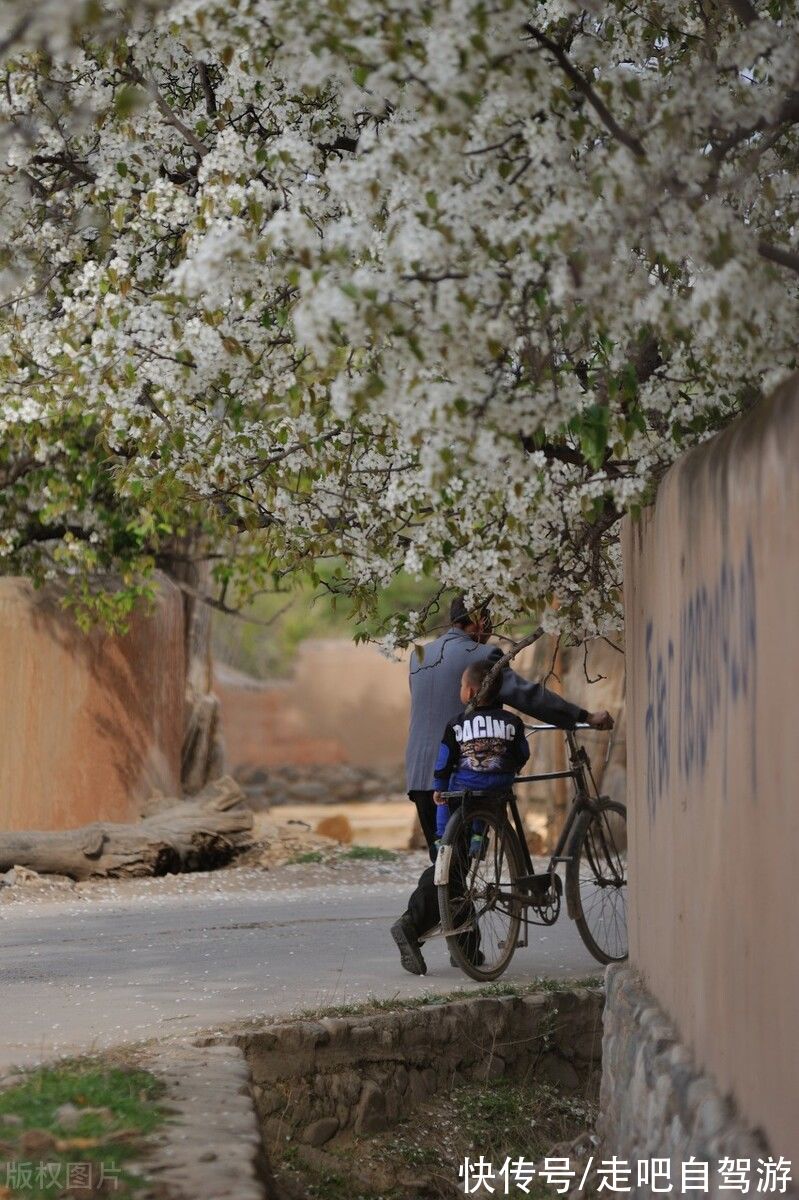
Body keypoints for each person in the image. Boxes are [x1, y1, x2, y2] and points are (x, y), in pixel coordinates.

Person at [391, 594, 614, 975]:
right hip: (465, 774)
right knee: (455, 861)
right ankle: (410, 926)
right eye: (489, 622)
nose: (491, 630)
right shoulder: (484, 659)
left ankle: (467, 949)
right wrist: (582, 716)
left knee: (450, 861)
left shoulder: (419, 656)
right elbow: (528, 696)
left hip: (421, 772)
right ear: (478, 622)